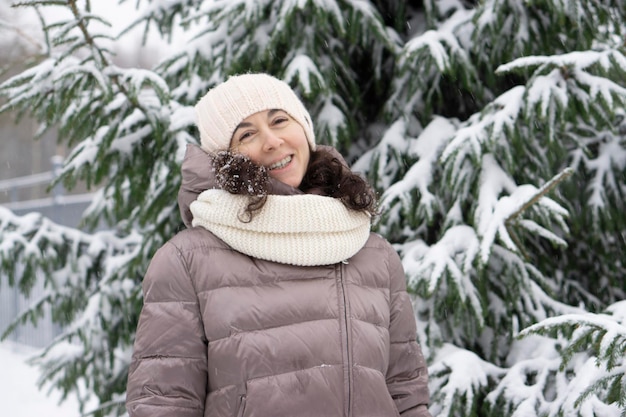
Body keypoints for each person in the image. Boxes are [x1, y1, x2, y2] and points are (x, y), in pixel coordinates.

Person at [125, 73, 431, 417]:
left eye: (280, 120)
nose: (271, 141)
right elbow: (164, 404)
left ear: (304, 128)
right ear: (225, 158)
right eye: (247, 134)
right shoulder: (186, 261)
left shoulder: (373, 253)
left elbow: (406, 392)